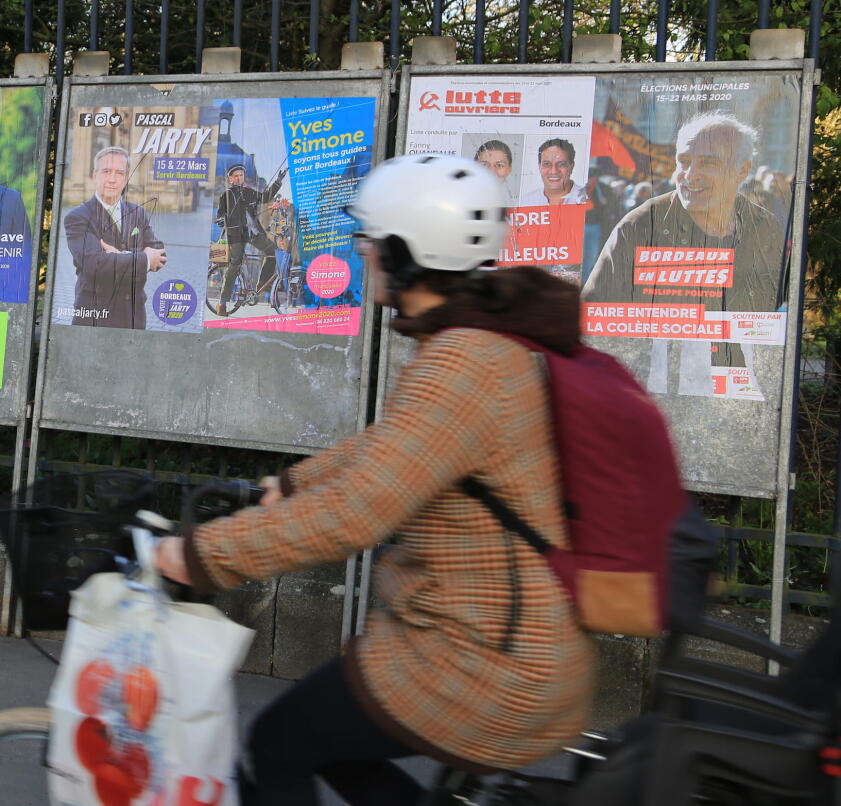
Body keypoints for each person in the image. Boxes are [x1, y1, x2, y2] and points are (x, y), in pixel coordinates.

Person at [154, 154, 594, 805]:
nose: (361, 253)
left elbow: (355, 516)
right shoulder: (479, 343)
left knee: (280, 740)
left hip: (485, 661)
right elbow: (399, 449)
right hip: (499, 639)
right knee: (329, 744)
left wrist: (198, 556)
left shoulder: (460, 363)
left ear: (404, 251)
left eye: (369, 240)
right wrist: (293, 485)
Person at [582, 112, 785, 397]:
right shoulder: (641, 225)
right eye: (684, 162)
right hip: (652, 392)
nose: (690, 175)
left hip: (734, 395)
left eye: (709, 163)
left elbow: (778, 311)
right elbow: (593, 316)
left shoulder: (764, 229)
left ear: (742, 171)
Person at [63, 146, 167, 328]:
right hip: (94, 315)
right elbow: (94, 265)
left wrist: (119, 255)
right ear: (95, 176)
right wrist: (143, 258)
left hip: (133, 314)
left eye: (119, 173)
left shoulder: (138, 212)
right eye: (106, 172)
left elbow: (159, 251)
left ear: (126, 179)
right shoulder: (78, 217)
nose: (112, 179)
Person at [214, 163, 285, 316]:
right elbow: (219, 216)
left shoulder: (249, 192)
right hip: (236, 236)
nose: (239, 178)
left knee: (272, 252)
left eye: (241, 175)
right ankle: (222, 303)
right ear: (230, 178)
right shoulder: (226, 195)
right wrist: (222, 220)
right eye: (236, 176)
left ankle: (261, 286)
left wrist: (278, 181)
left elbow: (266, 197)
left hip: (253, 233)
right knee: (234, 266)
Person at [517, 138, 589, 206]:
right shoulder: (525, 202)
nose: (553, 171)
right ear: (539, 167)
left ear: (571, 167)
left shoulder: (588, 199)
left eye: (561, 164)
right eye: (547, 164)